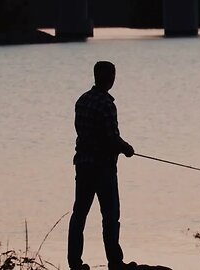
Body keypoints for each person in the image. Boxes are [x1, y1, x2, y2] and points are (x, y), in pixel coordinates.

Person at [68, 61, 136, 270]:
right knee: (110, 215)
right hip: (103, 168)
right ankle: (115, 263)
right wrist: (126, 148)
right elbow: (111, 138)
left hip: (83, 165)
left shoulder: (82, 100)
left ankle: (75, 263)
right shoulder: (107, 104)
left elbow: (82, 131)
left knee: (79, 214)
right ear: (110, 78)